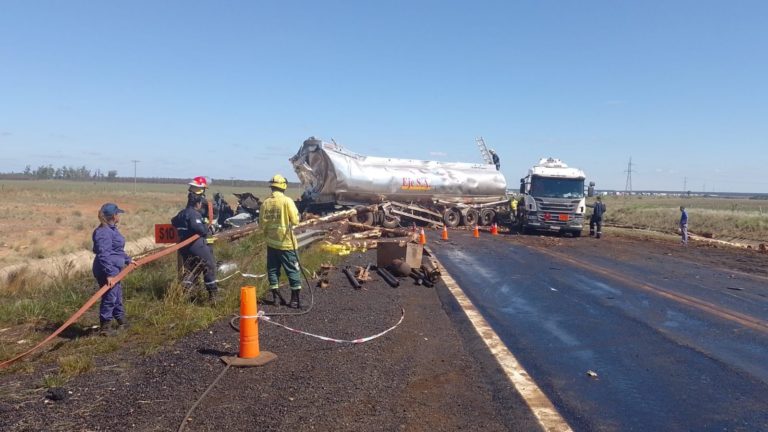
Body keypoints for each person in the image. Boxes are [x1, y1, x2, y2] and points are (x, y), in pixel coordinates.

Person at [261, 174, 303, 308]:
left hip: (271, 243)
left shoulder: (266, 203)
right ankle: (295, 301)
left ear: (272, 187)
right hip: (287, 244)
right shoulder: (287, 201)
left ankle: (276, 299)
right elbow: (295, 220)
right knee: (293, 270)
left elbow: (261, 224)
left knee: (273, 270)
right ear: (284, 187)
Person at [92, 203, 132, 335]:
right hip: (106, 269)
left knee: (116, 295)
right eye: (117, 213)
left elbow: (117, 250)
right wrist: (109, 274)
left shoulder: (112, 229)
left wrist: (128, 260)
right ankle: (105, 327)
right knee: (110, 297)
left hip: (114, 267)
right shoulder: (103, 232)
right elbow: (103, 254)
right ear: (114, 216)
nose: (119, 215)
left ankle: (122, 321)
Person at [174, 193, 219, 303]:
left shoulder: (181, 214)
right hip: (196, 246)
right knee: (209, 266)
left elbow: (173, 221)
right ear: (197, 204)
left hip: (184, 248)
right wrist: (207, 227)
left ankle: (188, 294)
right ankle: (213, 295)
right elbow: (199, 228)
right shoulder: (194, 214)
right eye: (200, 204)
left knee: (192, 270)